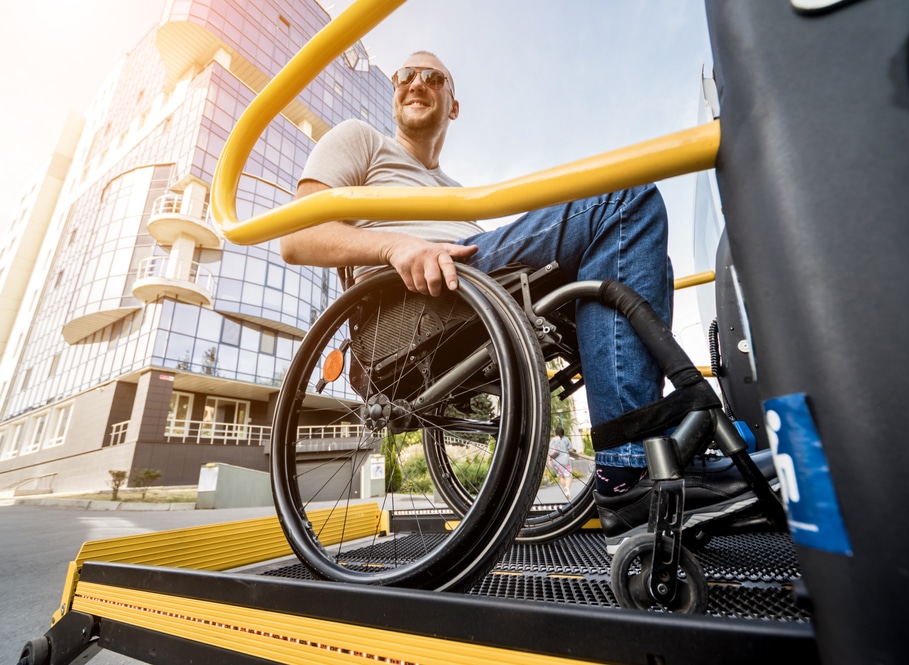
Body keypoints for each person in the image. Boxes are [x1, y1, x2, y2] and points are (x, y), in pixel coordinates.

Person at [281, 50, 729, 552]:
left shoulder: (459, 192)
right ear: (393, 92)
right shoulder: (361, 139)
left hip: (475, 282)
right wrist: (396, 245)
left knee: (639, 267)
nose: (416, 83)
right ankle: (626, 473)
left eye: (433, 77)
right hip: (414, 299)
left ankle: (657, 452)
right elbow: (297, 237)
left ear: (453, 105)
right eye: (405, 75)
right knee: (626, 200)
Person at [548, 426, 574, 499]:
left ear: (556, 432)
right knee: (568, 475)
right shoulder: (566, 439)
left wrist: (550, 460)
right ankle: (567, 488)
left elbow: (550, 451)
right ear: (563, 432)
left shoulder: (553, 440)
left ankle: (565, 489)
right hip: (565, 459)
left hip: (556, 461)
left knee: (561, 476)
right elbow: (570, 448)